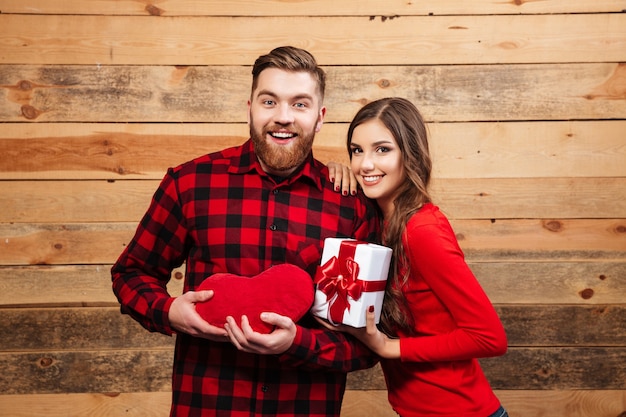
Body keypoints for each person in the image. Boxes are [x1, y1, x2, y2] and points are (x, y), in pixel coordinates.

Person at [111, 46, 380, 417]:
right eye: (269, 101)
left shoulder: (351, 205)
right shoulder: (190, 184)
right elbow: (131, 273)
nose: (283, 117)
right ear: (249, 108)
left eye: (299, 105)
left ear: (319, 118)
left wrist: (297, 343)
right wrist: (169, 310)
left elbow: (365, 342)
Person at [321, 97, 509, 417]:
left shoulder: (422, 231)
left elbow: (490, 338)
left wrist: (387, 347)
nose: (366, 164)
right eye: (356, 150)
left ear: (410, 156)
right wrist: (334, 171)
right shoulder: (376, 224)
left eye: (382, 150)